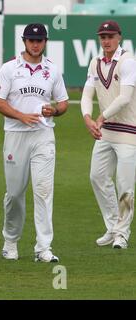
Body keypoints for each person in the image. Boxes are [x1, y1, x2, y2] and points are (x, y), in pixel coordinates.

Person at [0, 23, 69, 262]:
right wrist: (21, 116)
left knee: (44, 191)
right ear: (24, 42)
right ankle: (10, 240)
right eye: (31, 40)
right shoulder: (9, 68)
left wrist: (53, 111)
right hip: (16, 135)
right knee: (15, 193)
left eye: (40, 40)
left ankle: (43, 248)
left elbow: (64, 102)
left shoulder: (52, 70)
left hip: (43, 136)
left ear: (45, 42)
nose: (36, 44)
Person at [80, 20, 136, 249]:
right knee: (97, 177)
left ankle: (123, 233)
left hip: (129, 133)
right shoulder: (94, 63)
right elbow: (86, 94)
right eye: (103, 37)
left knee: (124, 186)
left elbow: (124, 97)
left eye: (110, 36)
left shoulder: (128, 61)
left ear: (119, 37)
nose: (106, 41)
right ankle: (113, 227)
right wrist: (87, 118)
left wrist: (101, 117)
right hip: (106, 133)